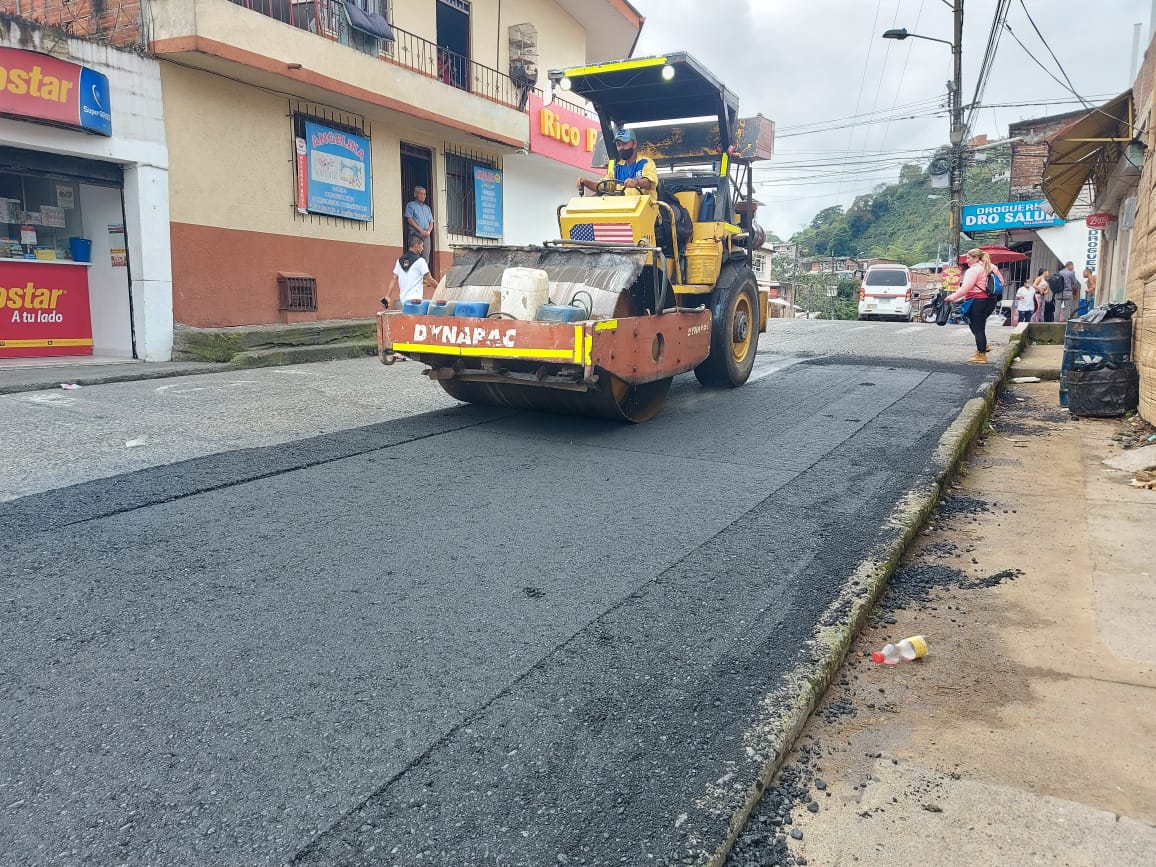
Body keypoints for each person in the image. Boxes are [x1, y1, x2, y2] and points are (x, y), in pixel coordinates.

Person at [945, 247, 998, 363]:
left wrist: (951, 297)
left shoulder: (973, 270)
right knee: (975, 324)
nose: (967, 260)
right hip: (990, 301)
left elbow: (966, 288)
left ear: (975, 258)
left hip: (976, 301)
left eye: (969, 258)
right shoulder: (992, 267)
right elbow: (1001, 282)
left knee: (978, 328)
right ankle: (983, 347)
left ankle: (981, 355)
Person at [577, 128, 658, 198]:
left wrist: (637, 182)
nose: (621, 148)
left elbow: (650, 183)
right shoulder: (617, 167)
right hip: (623, 211)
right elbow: (603, 186)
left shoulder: (646, 163)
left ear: (634, 144)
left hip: (647, 212)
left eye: (625, 144)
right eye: (618, 145)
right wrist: (586, 182)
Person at [389, 237, 437, 306]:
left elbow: (393, 279)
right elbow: (430, 279)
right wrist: (440, 289)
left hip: (404, 302)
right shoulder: (420, 261)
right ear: (416, 245)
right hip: (416, 301)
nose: (422, 249)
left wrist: (388, 296)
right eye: (422, 246)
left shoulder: (399, 261)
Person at [404, 186, 435, 260]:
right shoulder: (410, 205)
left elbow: (431, 222)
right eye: (421, 194)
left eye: (424, 194)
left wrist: (428, 231)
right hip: (415, 234)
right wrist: (421, 231)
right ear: (415, 194)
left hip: (426, 235)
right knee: (414, 256)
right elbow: (409, 219)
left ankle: (424, 271)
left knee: (425, 258)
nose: (423, 196)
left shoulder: (427, 208)